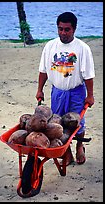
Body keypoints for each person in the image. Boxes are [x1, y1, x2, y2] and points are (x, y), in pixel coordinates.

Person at [36, 12, 95, 165]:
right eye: (60, 29)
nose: (63, 33)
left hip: (76, 91)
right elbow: (43, 71)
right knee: (58, 123)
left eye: (67, 29)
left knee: (77, 123)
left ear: (74, 29)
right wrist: (39, 89)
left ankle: (80, 145)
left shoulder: (83, 48)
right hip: (57, 92)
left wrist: (90, 95)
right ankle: (66, 151)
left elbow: (88, 75)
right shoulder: (50, 46)